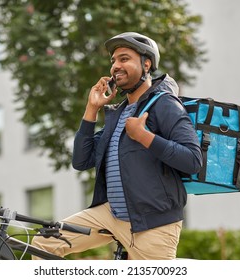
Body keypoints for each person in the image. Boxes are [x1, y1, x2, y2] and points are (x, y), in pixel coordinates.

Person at [32, 32, 202, 260]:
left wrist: (144, 136)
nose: (115, 66)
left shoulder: (165, 104)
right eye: (113, 61)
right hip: (111, 215)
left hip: (153, 222)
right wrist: (91, 109)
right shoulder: (118, 113)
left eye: (124, 59)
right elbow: (81, 161)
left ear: (146, 64)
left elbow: (193, 160)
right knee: (44, 242)